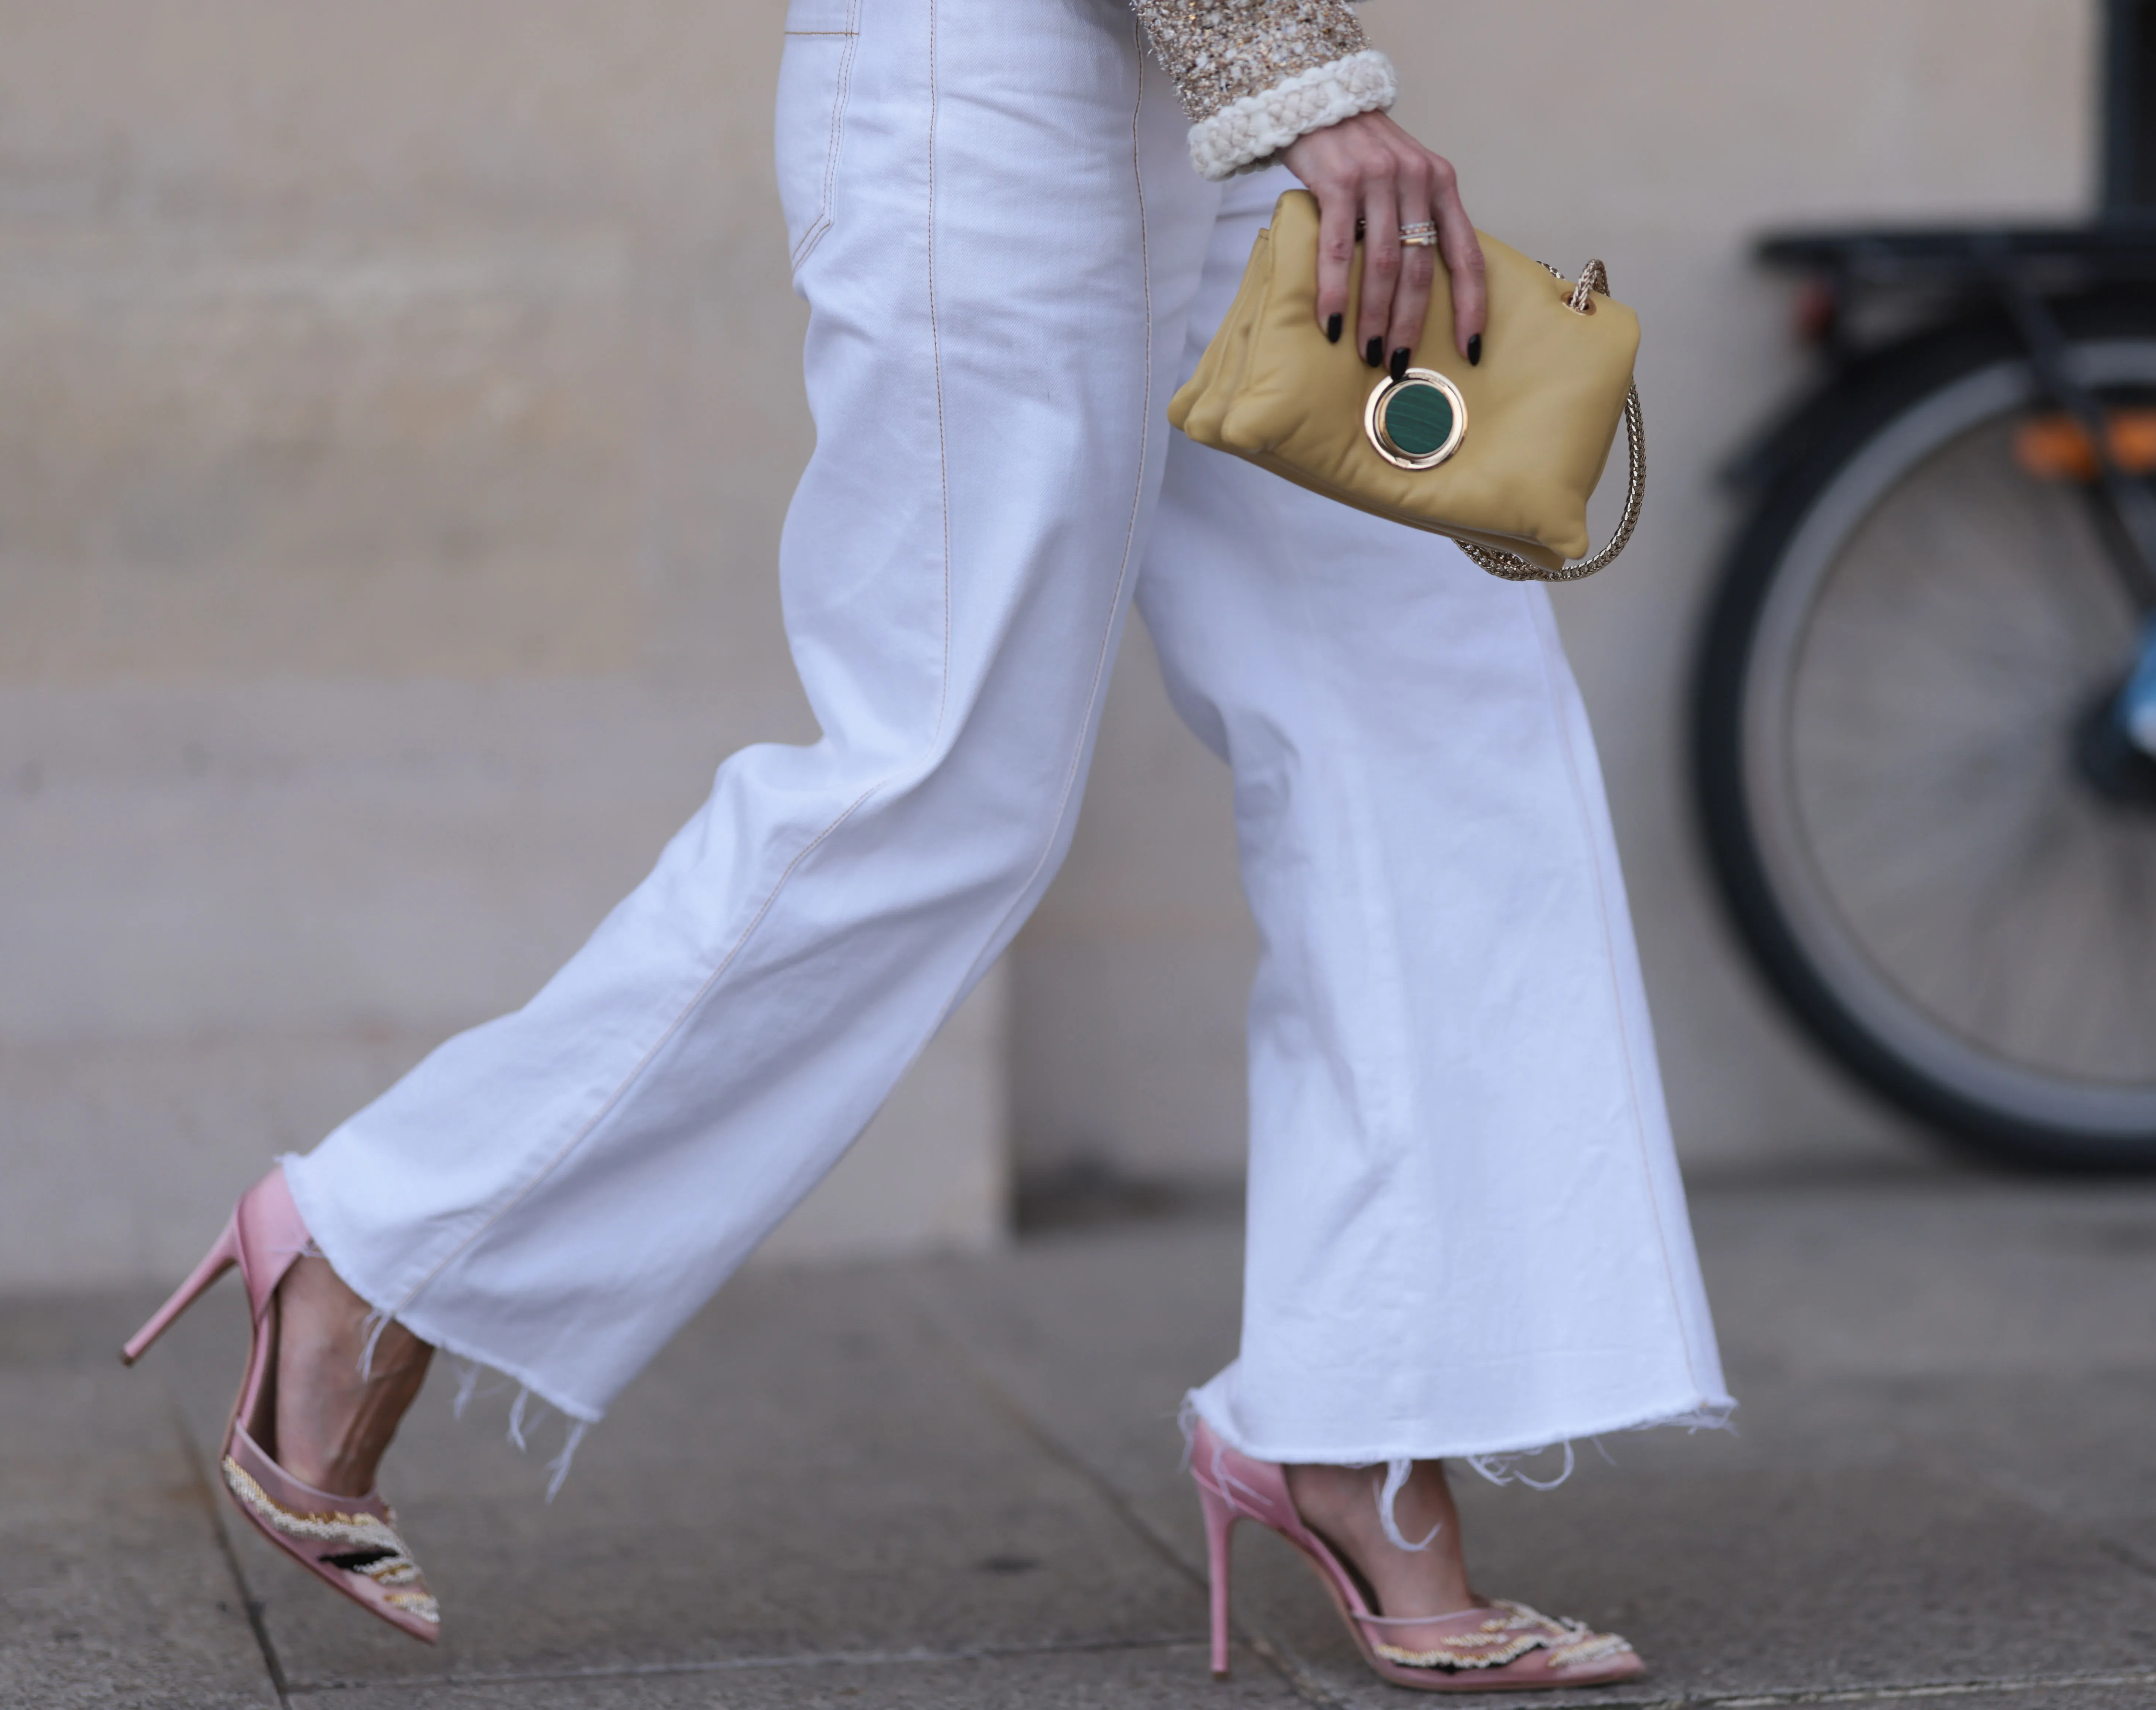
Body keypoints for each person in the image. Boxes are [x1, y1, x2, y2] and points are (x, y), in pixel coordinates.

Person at [122, 0, 1732, 1691]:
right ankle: (381, 1244)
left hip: (1197, 106)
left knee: (1432, 721)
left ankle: (1369, 1427)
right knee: (943, 779)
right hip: (1003, 85)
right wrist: (1299, 84)